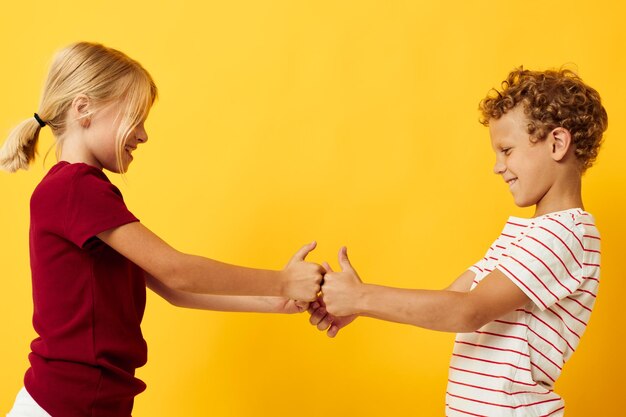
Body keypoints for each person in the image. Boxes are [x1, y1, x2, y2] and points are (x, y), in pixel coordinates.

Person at [1, 42, 325, 417]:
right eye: (135, 117)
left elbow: (171, 288)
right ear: (84, 108)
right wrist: (282, 282)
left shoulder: (84, 190)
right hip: (69, 406)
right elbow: (177, 270)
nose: (143, 135)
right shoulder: (76, 188)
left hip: (84, 405)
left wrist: (276, 302)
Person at [309, 67, 607, 416]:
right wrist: (360, 305)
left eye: (507, 150)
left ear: (557, 143)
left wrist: (361, 296)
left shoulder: (564, 235)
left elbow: (468, 311)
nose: (498, 166)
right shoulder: (529, 235)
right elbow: (451, 300)